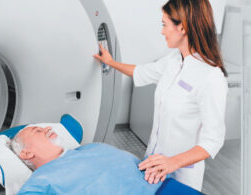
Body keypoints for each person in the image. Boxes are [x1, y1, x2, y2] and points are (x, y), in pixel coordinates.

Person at [93, 0, 228, 191]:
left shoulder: (211, 77)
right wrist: (111, 62)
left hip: (181, 173)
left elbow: (213, 139)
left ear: (182, 28)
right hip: (154, 162)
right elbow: (140, 72)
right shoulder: (173, 60)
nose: (162, 31)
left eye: (165, 24)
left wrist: (172, 162)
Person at [11, 126, 163, 195]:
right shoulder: (41, 181)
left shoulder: (92, 147)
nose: (47, 129)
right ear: (26, 153)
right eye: (38, 131)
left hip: (165, 186)